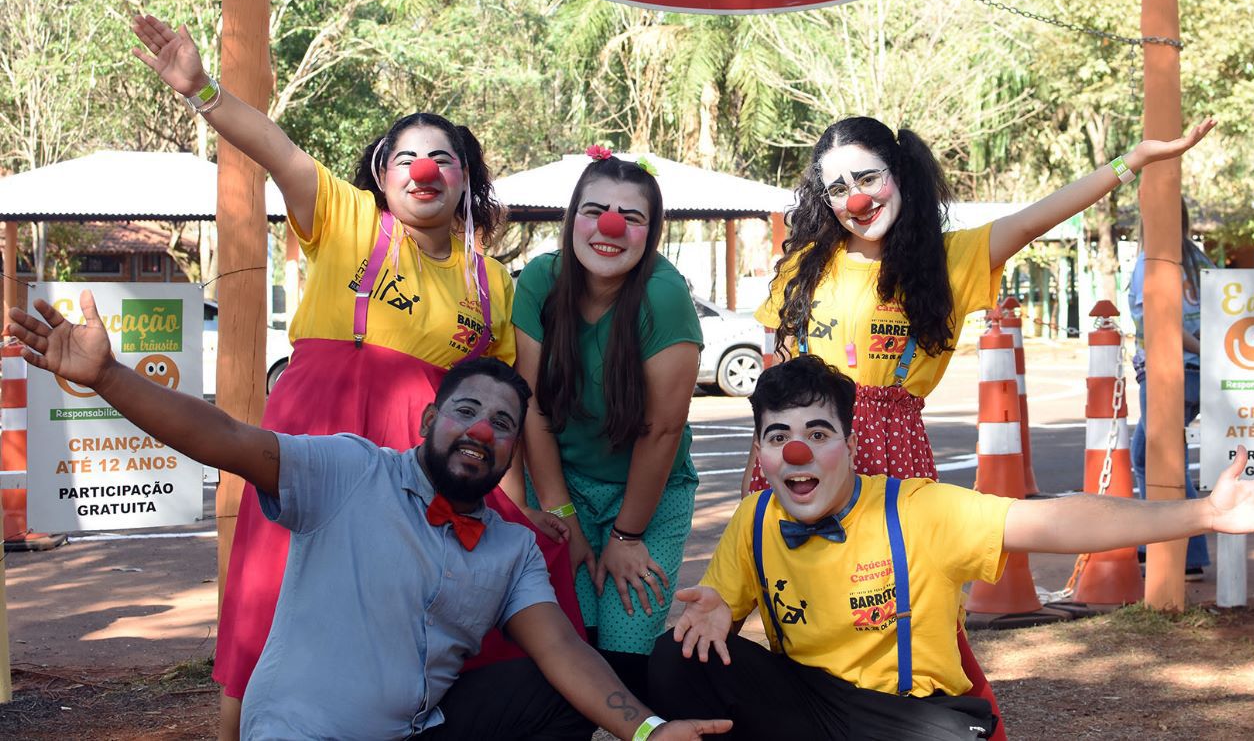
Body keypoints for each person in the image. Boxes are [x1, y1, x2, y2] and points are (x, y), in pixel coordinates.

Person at [128, 15, 581, 736]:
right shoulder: (346, 218)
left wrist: (524, 511)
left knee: (422, 610)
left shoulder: (493, 282)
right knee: (273, 594)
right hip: (322, 437)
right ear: (378, 174)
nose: (422, 171)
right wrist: (202, 91)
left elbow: (500, 418)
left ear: (466, 178)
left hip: (417, 458)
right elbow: (274, 148)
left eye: (442, 157)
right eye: (404, 158)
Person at [7, 293, 731, 741]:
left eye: (502, 423)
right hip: (303, 734)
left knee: (556, 691)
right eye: (467, 411)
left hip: (421, 731)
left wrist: (645, 731)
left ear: (513, 447)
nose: (481, 431)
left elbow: (563, 653)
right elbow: (223, 437)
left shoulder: (508, 548)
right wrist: (107, 376)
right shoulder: (347, 472)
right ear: (428, 419)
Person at [745, 114, 1216, 737]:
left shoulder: (951, 258)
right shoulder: (803, 267)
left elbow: (1038, 215)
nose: (855, 200)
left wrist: (1133, 160)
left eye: (867, 178)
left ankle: (952, 721)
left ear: (900, 174)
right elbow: (773, 374)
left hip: (891, 452)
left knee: (906, 611)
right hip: (806, 447)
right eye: (837, 189)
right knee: (803, 604)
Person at [650, 356, 1254, 741]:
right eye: (778, 436)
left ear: (850, 443)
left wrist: (1202, 511)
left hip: (907, 717)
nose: (797, 452)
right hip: (809, 705)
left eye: (818, 433)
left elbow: (1057, 521)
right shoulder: (755, 517)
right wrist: (710, 621)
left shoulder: (919, 509)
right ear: (760, 454)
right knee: (674, 659)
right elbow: (714, 626)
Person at [512, 148, 703, 699]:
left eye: (631, 217)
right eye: (594, 210)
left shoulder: (664, 298)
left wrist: (627, 534)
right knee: (570, 638)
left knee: (624, 650)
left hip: (648, 493)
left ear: (651, 233)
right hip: (563, 483)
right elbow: (534, 406)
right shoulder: (541, 282)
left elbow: (662, 431)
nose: (610, 227)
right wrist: (561, 514)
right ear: (572, 218)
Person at [1127, 199, 1215, 578]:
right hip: (1200, 374)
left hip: (1166, 373)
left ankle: (1187, 552)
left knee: (1165, 459)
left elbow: (1161, 322)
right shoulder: (1200, 261)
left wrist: (1196, 346)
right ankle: (1154, 542)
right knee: (1148, 455)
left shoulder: (1150, 264)